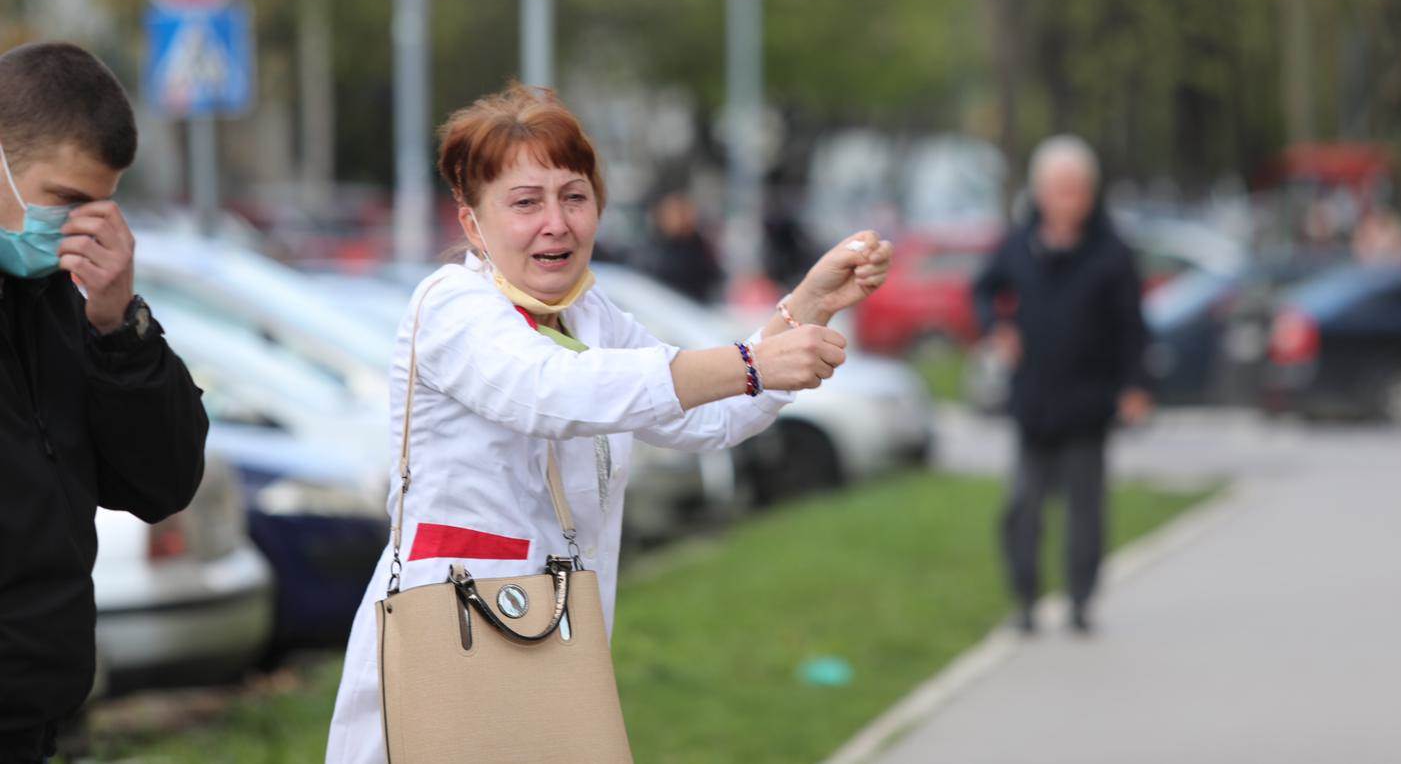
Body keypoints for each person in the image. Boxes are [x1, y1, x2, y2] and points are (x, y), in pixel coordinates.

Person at [325, 83, 893, 762]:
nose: (556, 223)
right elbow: (555, 391)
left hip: (552, 645)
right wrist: (753, 362)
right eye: (526, 202)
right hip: (455, 644)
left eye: (574, 196)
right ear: (473, 224)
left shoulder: (590, 315)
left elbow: (704, 414)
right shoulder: (451, 306)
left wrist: (807, 304)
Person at [0, 42, 209, 764]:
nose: (86, 227)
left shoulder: (62, 299)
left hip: (37, 708)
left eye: (103, 205)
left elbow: (161, 483)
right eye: (66, 201)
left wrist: (120, 324)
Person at [972, 135, 1149, 636]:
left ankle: (1080, 598)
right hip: (1033, 401)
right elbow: (985, 290)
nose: (1068, 200)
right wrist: (996, 328)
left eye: (1076, 189)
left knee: (1085, 513)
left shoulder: (1112, 253)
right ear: (1040, 192)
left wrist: (1135, 385)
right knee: (1023, 508)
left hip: (1089, 402)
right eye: (1058, 189)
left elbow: (1133, 327)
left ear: (1091, 194)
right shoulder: (1019, 244)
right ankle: (1026, 599)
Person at [634, 187, 724, 302]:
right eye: (673, 212)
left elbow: (712, 279)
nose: (680, 218)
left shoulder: (698, 247)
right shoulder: (652, 249)